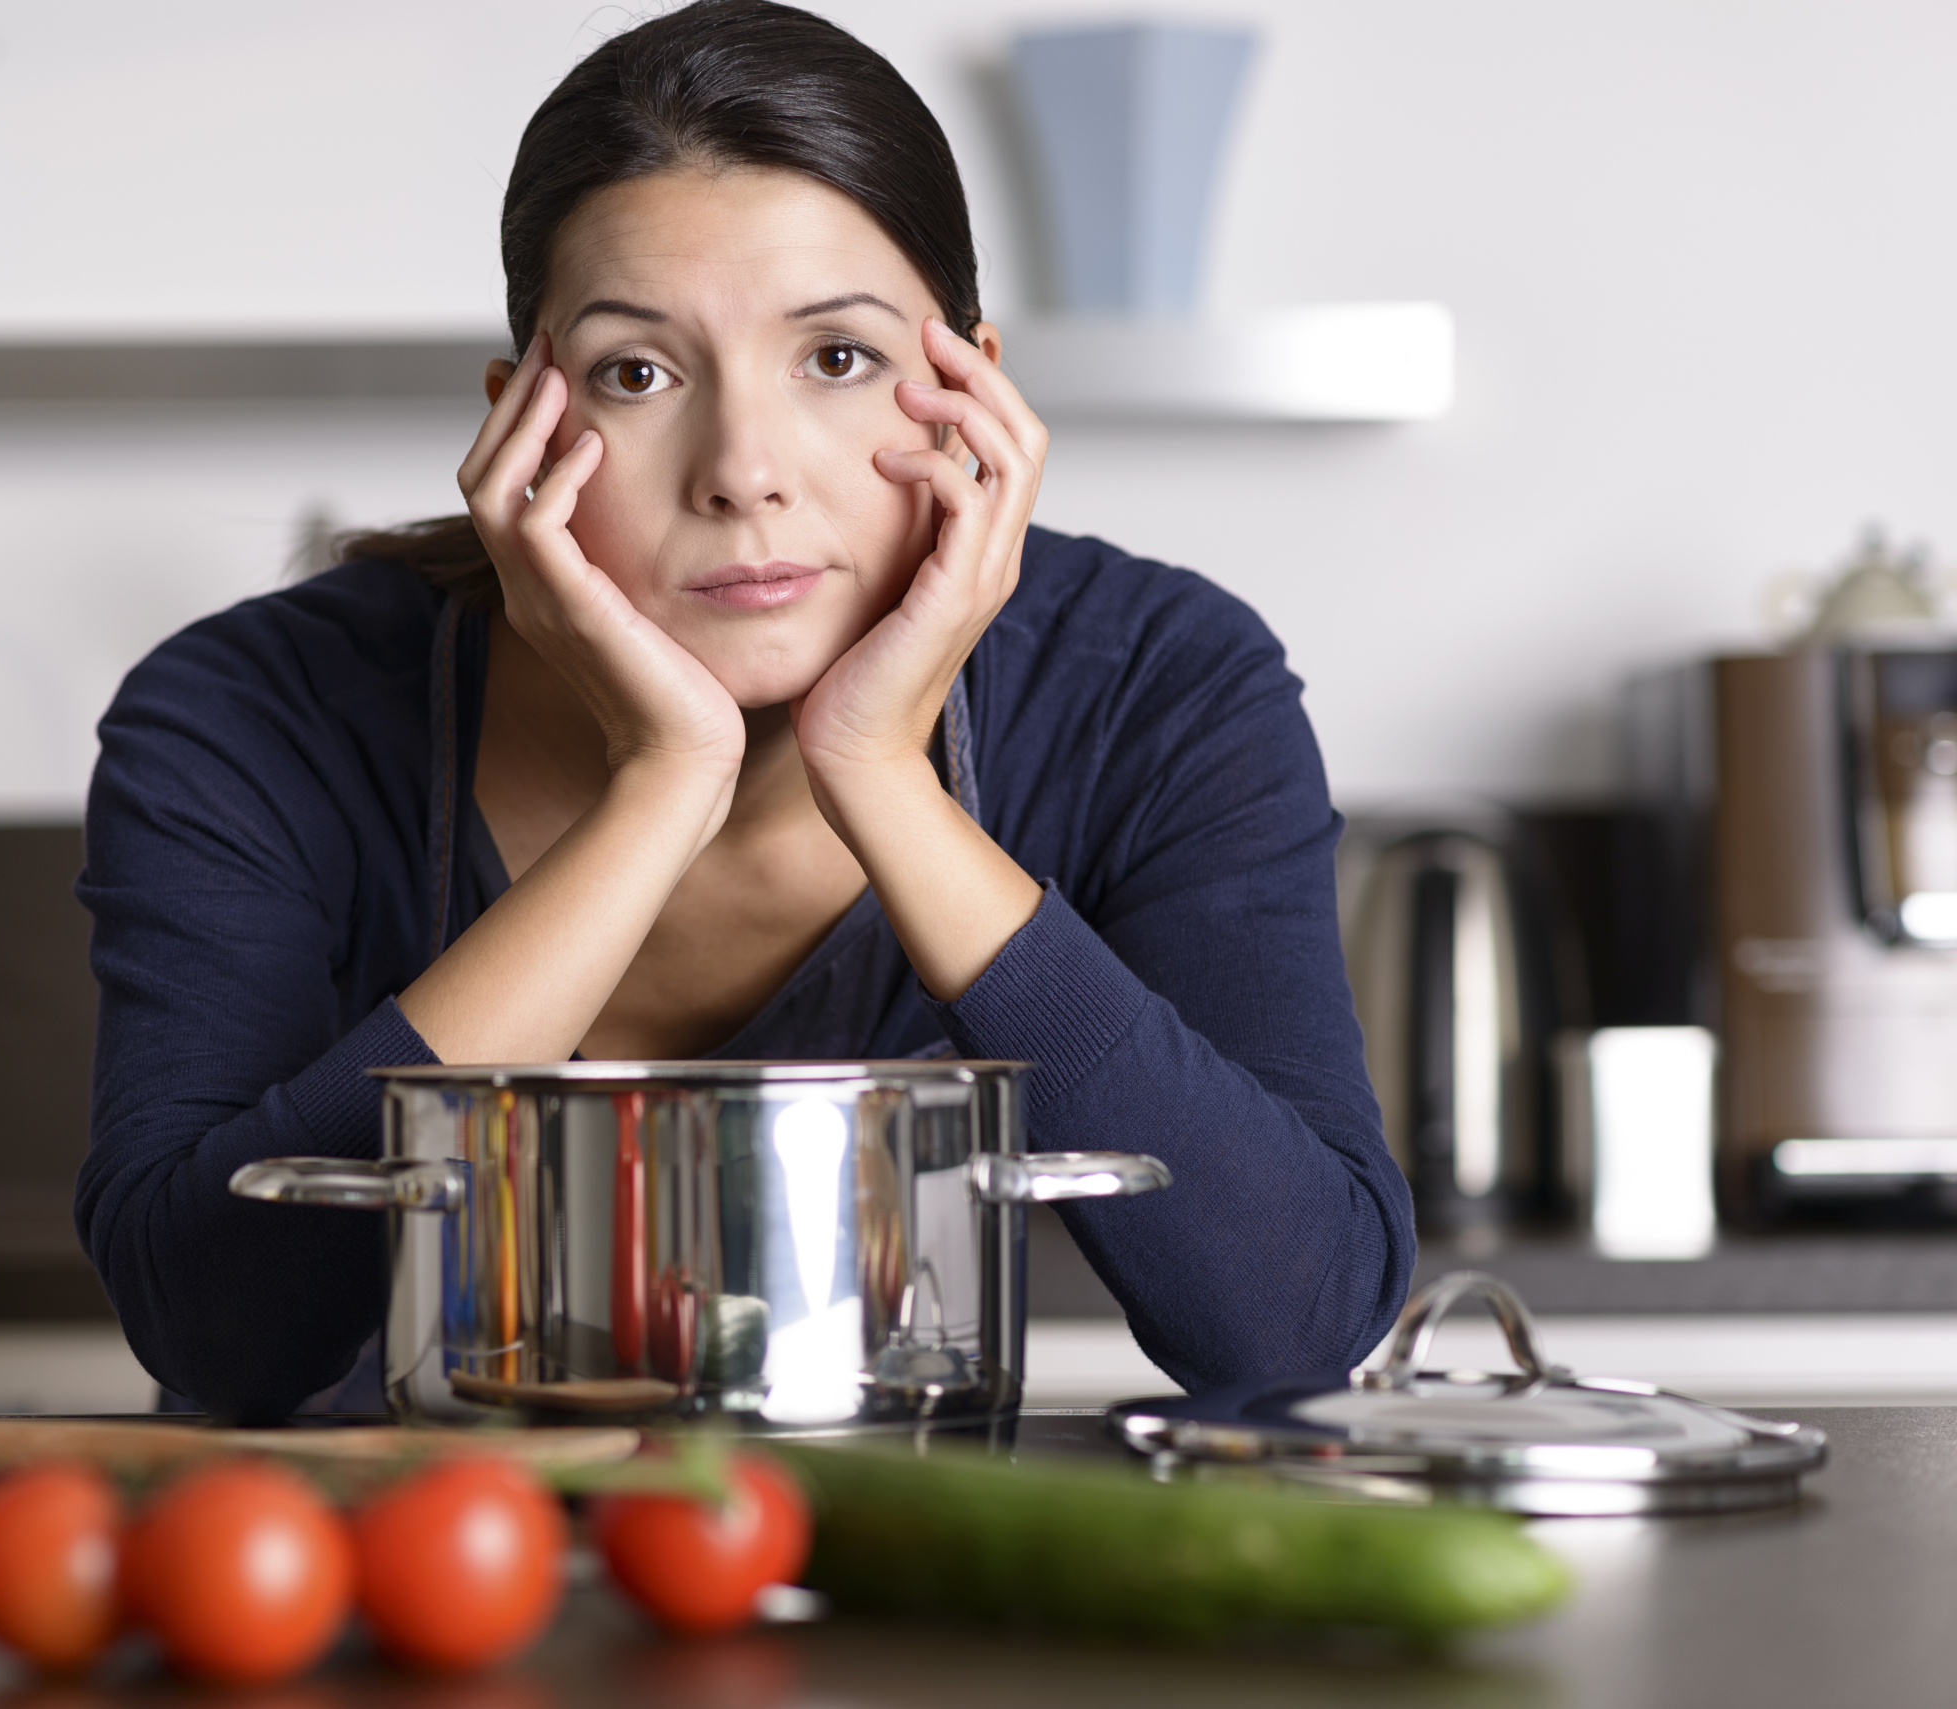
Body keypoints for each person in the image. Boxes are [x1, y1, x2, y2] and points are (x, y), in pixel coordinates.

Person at [76, 0, 1414, 1424]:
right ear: (522, 419)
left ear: (973, 388)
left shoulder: (1160, 687)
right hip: (419, 1595)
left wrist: (883, 774)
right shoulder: (245, 715)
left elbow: (1295, 1317)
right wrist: (661, 783)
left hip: (919, 1600)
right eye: (638, 373)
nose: (742, 468)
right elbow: (217, 1329)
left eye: (835, 357)